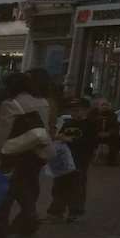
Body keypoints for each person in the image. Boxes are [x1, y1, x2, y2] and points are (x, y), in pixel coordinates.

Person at [0, 72, 50, 238]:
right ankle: (28, 220)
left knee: (6, 189)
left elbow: (2, 134)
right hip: (36, 153)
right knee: (27, 187)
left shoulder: (10, 104)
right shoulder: (43, 102)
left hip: (14, 152)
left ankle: (0, 225)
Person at [45, 93, 100, 222]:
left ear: (86, 110)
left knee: (77, 185)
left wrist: (71, 140)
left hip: (79, 159)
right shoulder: (68, 123)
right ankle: (56, 211)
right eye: (72, 110)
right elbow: (60, 136)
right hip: (64, 159)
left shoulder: (90, 125)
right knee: (59, 185)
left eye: (77, 110)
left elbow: (91, 142)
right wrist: (59, 138)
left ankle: (75, 211)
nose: (74, 113)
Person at [94, 99, 120, 167]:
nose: (105, 106)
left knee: (116, 138)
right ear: (98, 106)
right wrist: (97, 132)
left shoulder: (113, 115)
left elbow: (115, 126)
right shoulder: (93, 113)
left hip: (108, 135)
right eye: (103, 105)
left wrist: (109, 133)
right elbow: (90, 124)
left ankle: (112, 159)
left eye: (106, 105)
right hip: (95, 134)